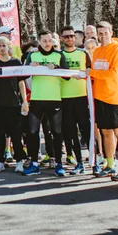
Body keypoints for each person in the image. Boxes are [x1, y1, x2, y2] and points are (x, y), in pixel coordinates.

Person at [22, 31, 70, 177]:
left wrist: (56, 69)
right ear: (39, 42)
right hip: (36, 100)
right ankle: (34, 163)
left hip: (54, 99)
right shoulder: (33, 55)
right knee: (32, 132)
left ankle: (59, 164)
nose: (47, 43)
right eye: (44, 41)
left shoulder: (59, 55)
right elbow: (22, 75)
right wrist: (30, 67)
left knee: (56, 132)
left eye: (49, 41)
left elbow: (67, 76)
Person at [90, 21, 118, 181]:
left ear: (111, 32)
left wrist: (92, 72)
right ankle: (110, 165)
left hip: (115, 97)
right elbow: (96, 72)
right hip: (99, 96)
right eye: (100, 33)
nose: (102, 35)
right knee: (106, 132)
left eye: (105, 32)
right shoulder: (98, 51)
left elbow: (113, 73)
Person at [0, 36, 28, 173]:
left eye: (4, 45)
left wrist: (25, 102)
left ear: (8, 46)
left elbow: (21, 83)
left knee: (16, 134)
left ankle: (19, 161)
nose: (2, 48)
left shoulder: (16, 62)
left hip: (14, 104)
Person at [60, 26, 92, 175]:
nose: (69, 39)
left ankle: (94, 160)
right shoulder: (58, 55)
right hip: (65, 98)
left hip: (81, 97)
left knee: (86, 130)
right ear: (61, 39)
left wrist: (88, 72)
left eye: (72, 36)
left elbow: (91, 70)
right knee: (71, 132)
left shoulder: (83, 53)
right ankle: (79, 162)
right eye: (66, 37)